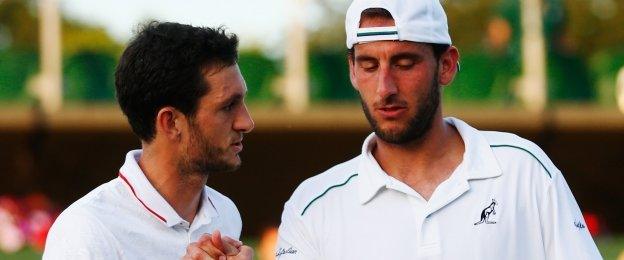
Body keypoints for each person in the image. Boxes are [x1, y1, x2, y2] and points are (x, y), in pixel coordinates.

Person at [275, 0, 602, 259]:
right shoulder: (312, 207)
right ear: (352, 71)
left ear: (446, 65)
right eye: (369, 66)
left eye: (404, 64)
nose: (384, 88)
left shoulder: (524, 171)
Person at [43, 22, 254, 259]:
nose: (246, 122)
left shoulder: (226, 213)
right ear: (171, 122)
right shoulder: (86, 231)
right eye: (228, 106)